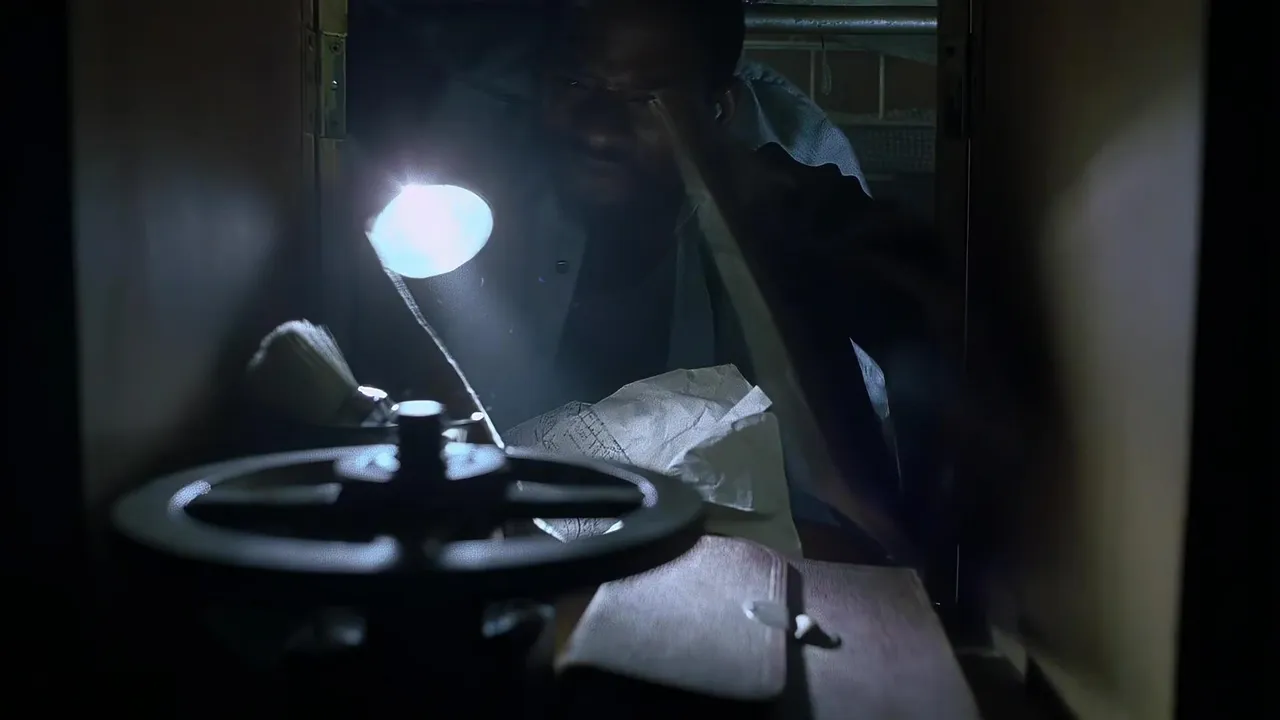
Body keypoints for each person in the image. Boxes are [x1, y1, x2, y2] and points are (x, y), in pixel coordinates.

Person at [347, 0, 961, 561]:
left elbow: (911, 343)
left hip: (737, 550)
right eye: (575, 84)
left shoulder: (786, 177)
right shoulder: (476, 186)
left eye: (644, 100)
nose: (598, 128)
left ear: (718, 110)